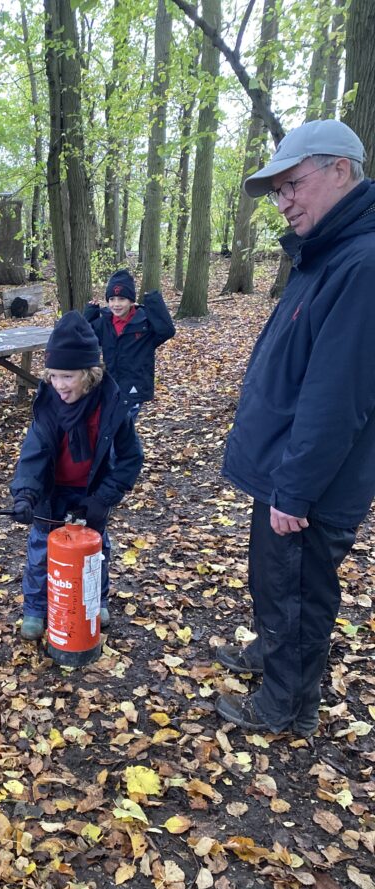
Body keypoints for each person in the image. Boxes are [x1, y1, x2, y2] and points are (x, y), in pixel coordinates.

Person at [214, 119, 375, 739]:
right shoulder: (324, 253)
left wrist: (297, 488)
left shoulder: (361, 264)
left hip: (310, 483)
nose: (282, 203)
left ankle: (288, 705)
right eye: (276, 192)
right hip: (285, 467)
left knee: (300, 590)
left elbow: (338, 395)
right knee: (274, 577)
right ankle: (272, 656)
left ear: (339, 170)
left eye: (290, 186)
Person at [10, 311, 143, 639]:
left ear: (89, 373)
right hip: (51, 494)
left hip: (91, 494)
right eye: (53, 376)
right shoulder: (48, 408)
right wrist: (25, 494)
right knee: (41, 550)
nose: (59, 385)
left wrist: (103, 498)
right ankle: (35, 609)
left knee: (95, 551)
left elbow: (131, 458)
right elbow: (33, 458)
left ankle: (94, 601)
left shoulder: (112, 407)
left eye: (67, 377)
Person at [83, 269, 175, 420]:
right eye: (112, 299)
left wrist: (153, 302)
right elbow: (82, 336)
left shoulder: (145, 323)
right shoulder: (104, 323)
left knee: (122, 427)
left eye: (121, 299)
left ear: (131, 300)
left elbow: (167, 330)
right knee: (112, 430)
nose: (116, 304)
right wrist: (89, 313)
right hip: (110, 387)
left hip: (134, 387)